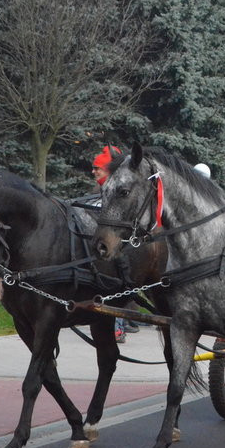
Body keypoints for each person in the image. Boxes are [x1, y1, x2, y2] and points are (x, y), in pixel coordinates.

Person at [91, 145, 140, 342]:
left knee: (116, 283)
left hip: (120, 251)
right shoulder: (102, 189)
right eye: (93, 168)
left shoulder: (114, 191)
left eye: (97, 168)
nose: (93, 171)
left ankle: (119, 326)